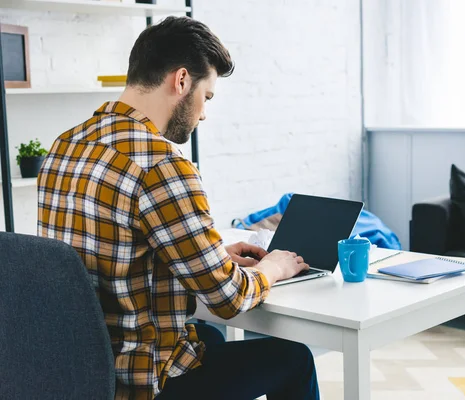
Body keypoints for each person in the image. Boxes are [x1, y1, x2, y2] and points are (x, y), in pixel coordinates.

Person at [37, 16, 320, 400]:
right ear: (181, 80)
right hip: (142, 383)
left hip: (79, 369)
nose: (203, 113)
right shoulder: (162, 164)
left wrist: (213, 256)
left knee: (206, 337)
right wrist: (274, 267)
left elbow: (112, 251)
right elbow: (229, 299)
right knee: (294, 358)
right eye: (207, 97)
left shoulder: (65, 146)